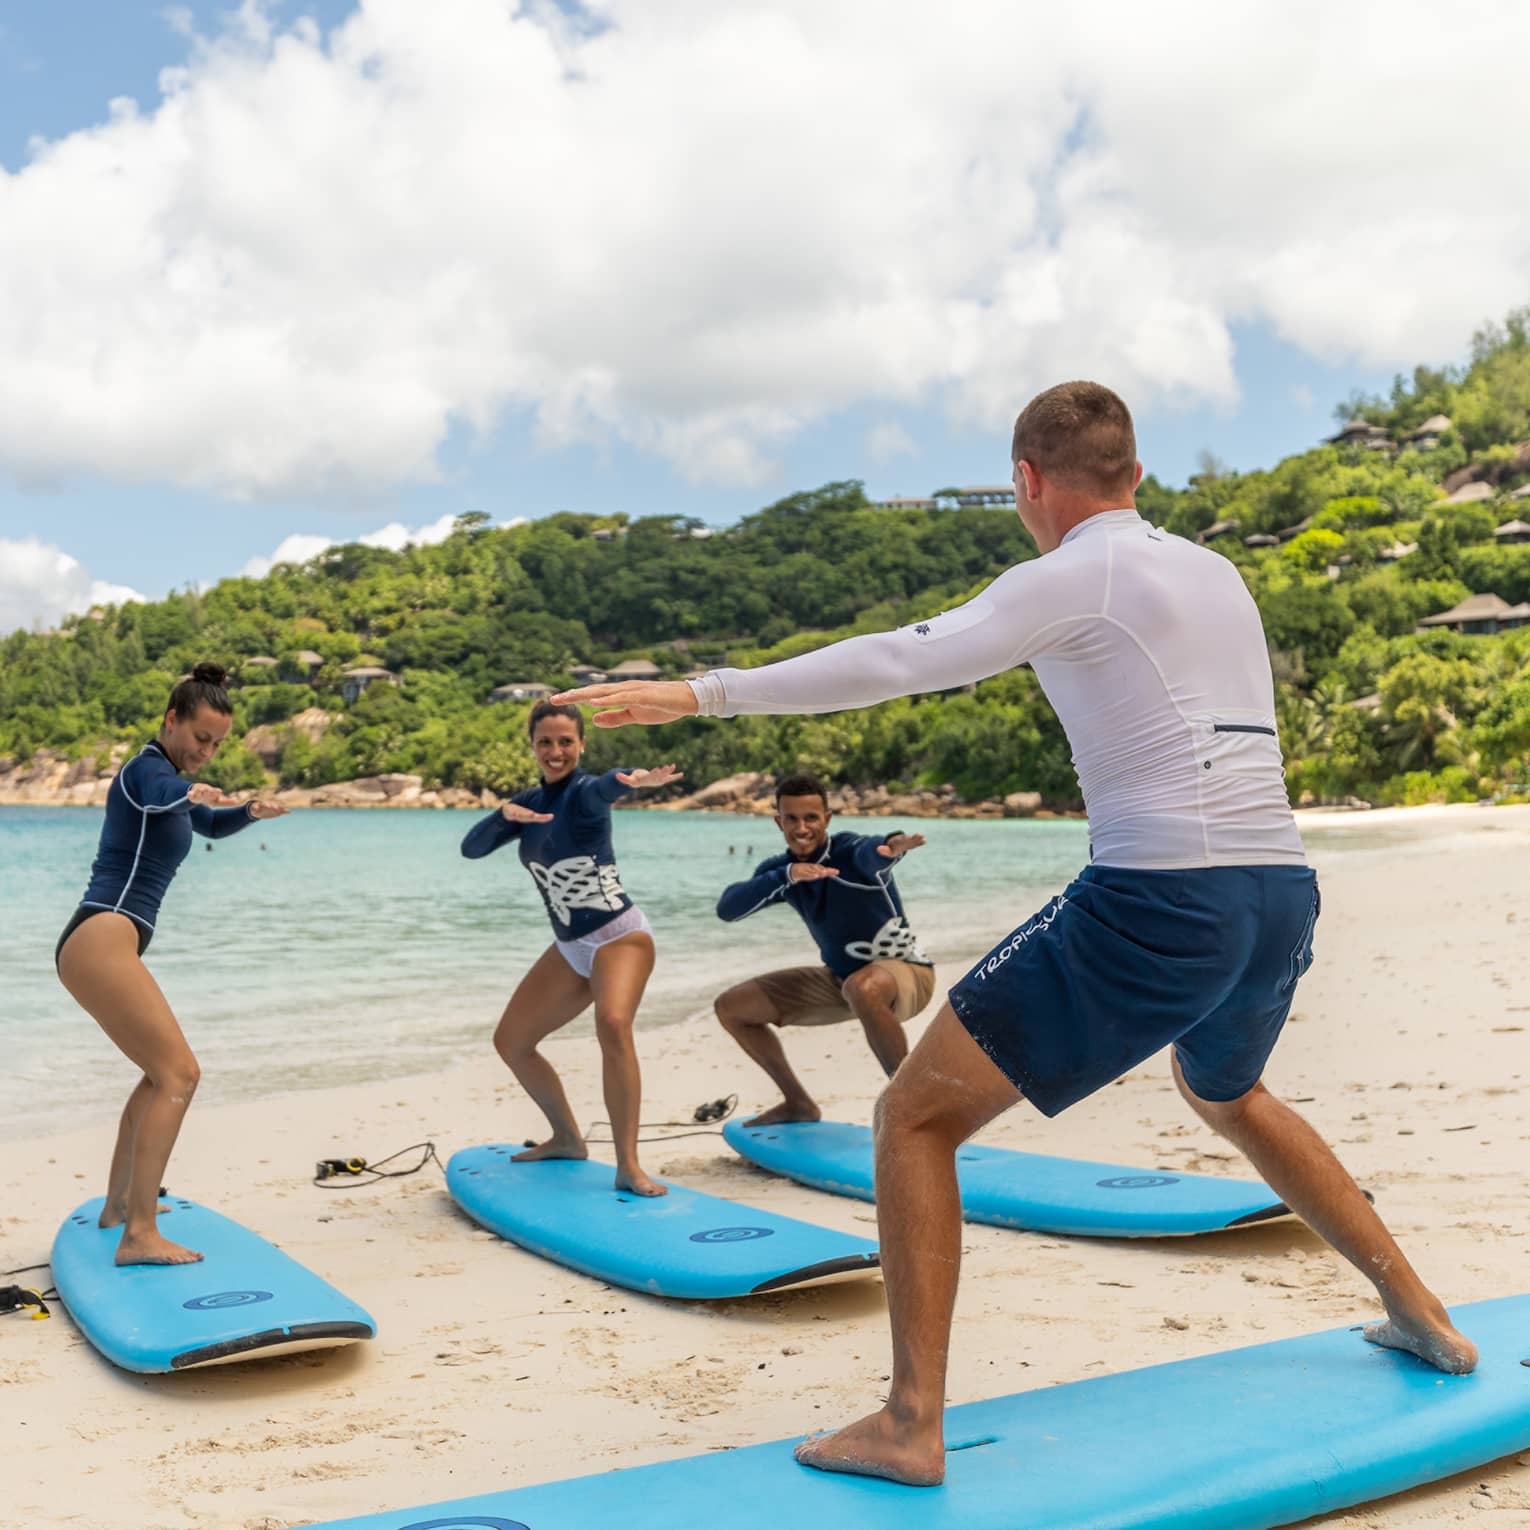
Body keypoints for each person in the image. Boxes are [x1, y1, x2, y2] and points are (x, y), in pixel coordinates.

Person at [554, 380, 1477, 1483]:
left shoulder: (1073, 572)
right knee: (1229, 1092)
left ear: (1028, 483)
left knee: (913, 1118)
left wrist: (703, 695)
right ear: (1136, 473)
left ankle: (910, 1423)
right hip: (1277, 892)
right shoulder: (1214, 571)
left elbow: (898, 659)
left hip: (1161, 897)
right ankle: (1420, 1311)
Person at [55, 662, 288, 1266]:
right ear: (171, 720)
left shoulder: (174, 782)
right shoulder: (144, 771)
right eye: (200, 738)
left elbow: (205, 820)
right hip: (101, 933)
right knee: (180, 1075)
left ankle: (117, 1208)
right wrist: (189, 792)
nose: (207, 752)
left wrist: (249, 812)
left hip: (106, 940)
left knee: (158, 1076)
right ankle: (137, 1236)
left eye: (217, 743)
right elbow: (167, 797)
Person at [460, 700, 681, 1197]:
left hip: (620, 936)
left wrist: (631, 780)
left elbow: (609, 783)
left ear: (581, 744)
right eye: (545, 742)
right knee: (512, 1041)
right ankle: (566, 1136)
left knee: (613, 1024)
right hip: (570, 946)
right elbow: (471, 849)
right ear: (533, 746)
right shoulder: (529, 804)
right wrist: (502, 815)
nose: (555, 751)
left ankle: (629, 1165)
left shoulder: (585, 793)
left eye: (565, 741)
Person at [713, 773, 933, 1124]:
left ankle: (913, 1107)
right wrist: (786, 876)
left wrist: (891, 846)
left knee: (862, 986)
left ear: (827, 819)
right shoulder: (782, 872)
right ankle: (798, 1104)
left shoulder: (848, 851)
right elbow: (728, 909)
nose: (802, 827)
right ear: (778, 822)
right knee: (732, 1007)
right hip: (841, 982)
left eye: (811, 818)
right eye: (792, 819)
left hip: (907, 974)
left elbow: (872, 852)